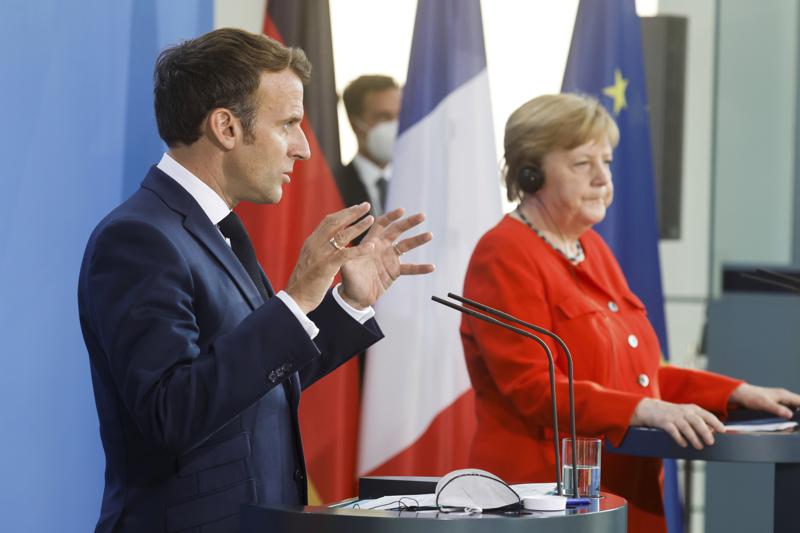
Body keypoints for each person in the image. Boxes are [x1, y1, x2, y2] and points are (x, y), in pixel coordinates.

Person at [78, 29, 433, 533]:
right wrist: (299, 297)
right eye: (288, 123)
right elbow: (170, 414)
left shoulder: (219, 228)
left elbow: (263, 382)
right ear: (225, 127)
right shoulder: (138, 238)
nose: (304, 148)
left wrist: (347, 304)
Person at [459, 93, 800, 533]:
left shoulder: (592, 249)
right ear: (531, 173)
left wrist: (736, 393)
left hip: (622, 493)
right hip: (541, 500)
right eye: (584, 164)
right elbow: (532, 387)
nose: (603, 179)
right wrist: (644, 409)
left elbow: (639, 380)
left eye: (608, 162)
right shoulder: (504, 252)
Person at [337, 74, 401, 218]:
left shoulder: (422, 182)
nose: (395, 125)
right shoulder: (332, 187)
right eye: (383, 117)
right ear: (355, 125)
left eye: (400, 115)